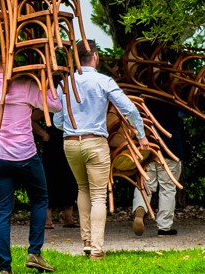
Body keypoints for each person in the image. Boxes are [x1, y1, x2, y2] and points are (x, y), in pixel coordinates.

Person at [0, 26, 60, 274]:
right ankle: (34, 253)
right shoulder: (24, 85)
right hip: (26, 157)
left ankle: (4, 268)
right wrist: (45, 82)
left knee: (3, 212)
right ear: (10, 60)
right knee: (40, 200)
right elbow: (55, 106)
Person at [52, 40, 147, 259]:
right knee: (97, 196)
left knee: (82, 188)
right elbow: (130, 109)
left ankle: (86, 240)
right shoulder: (104, 81)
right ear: (95, 56)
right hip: (95, 142)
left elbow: (57, 120)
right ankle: (96, 248)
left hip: (71, 142)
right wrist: (140, 135)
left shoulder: (65, 83)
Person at [131, 98, 184, 236]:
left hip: (148, 149)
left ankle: (140, 209)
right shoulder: (173, 99)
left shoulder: (145, 99)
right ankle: (164, 227)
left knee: (145, 184)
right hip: (171, 150)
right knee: (167, 188)